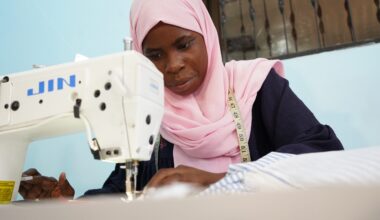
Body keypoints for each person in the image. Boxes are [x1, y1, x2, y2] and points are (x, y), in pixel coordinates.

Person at [19, 0, 343, 200]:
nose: (172, 65)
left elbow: (322, 154)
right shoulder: (151, 110)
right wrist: (70, 203)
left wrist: (217, 181)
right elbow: (124, 190)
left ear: (207, 35)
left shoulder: (254, 87)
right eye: (155, 55)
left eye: (184, 44)